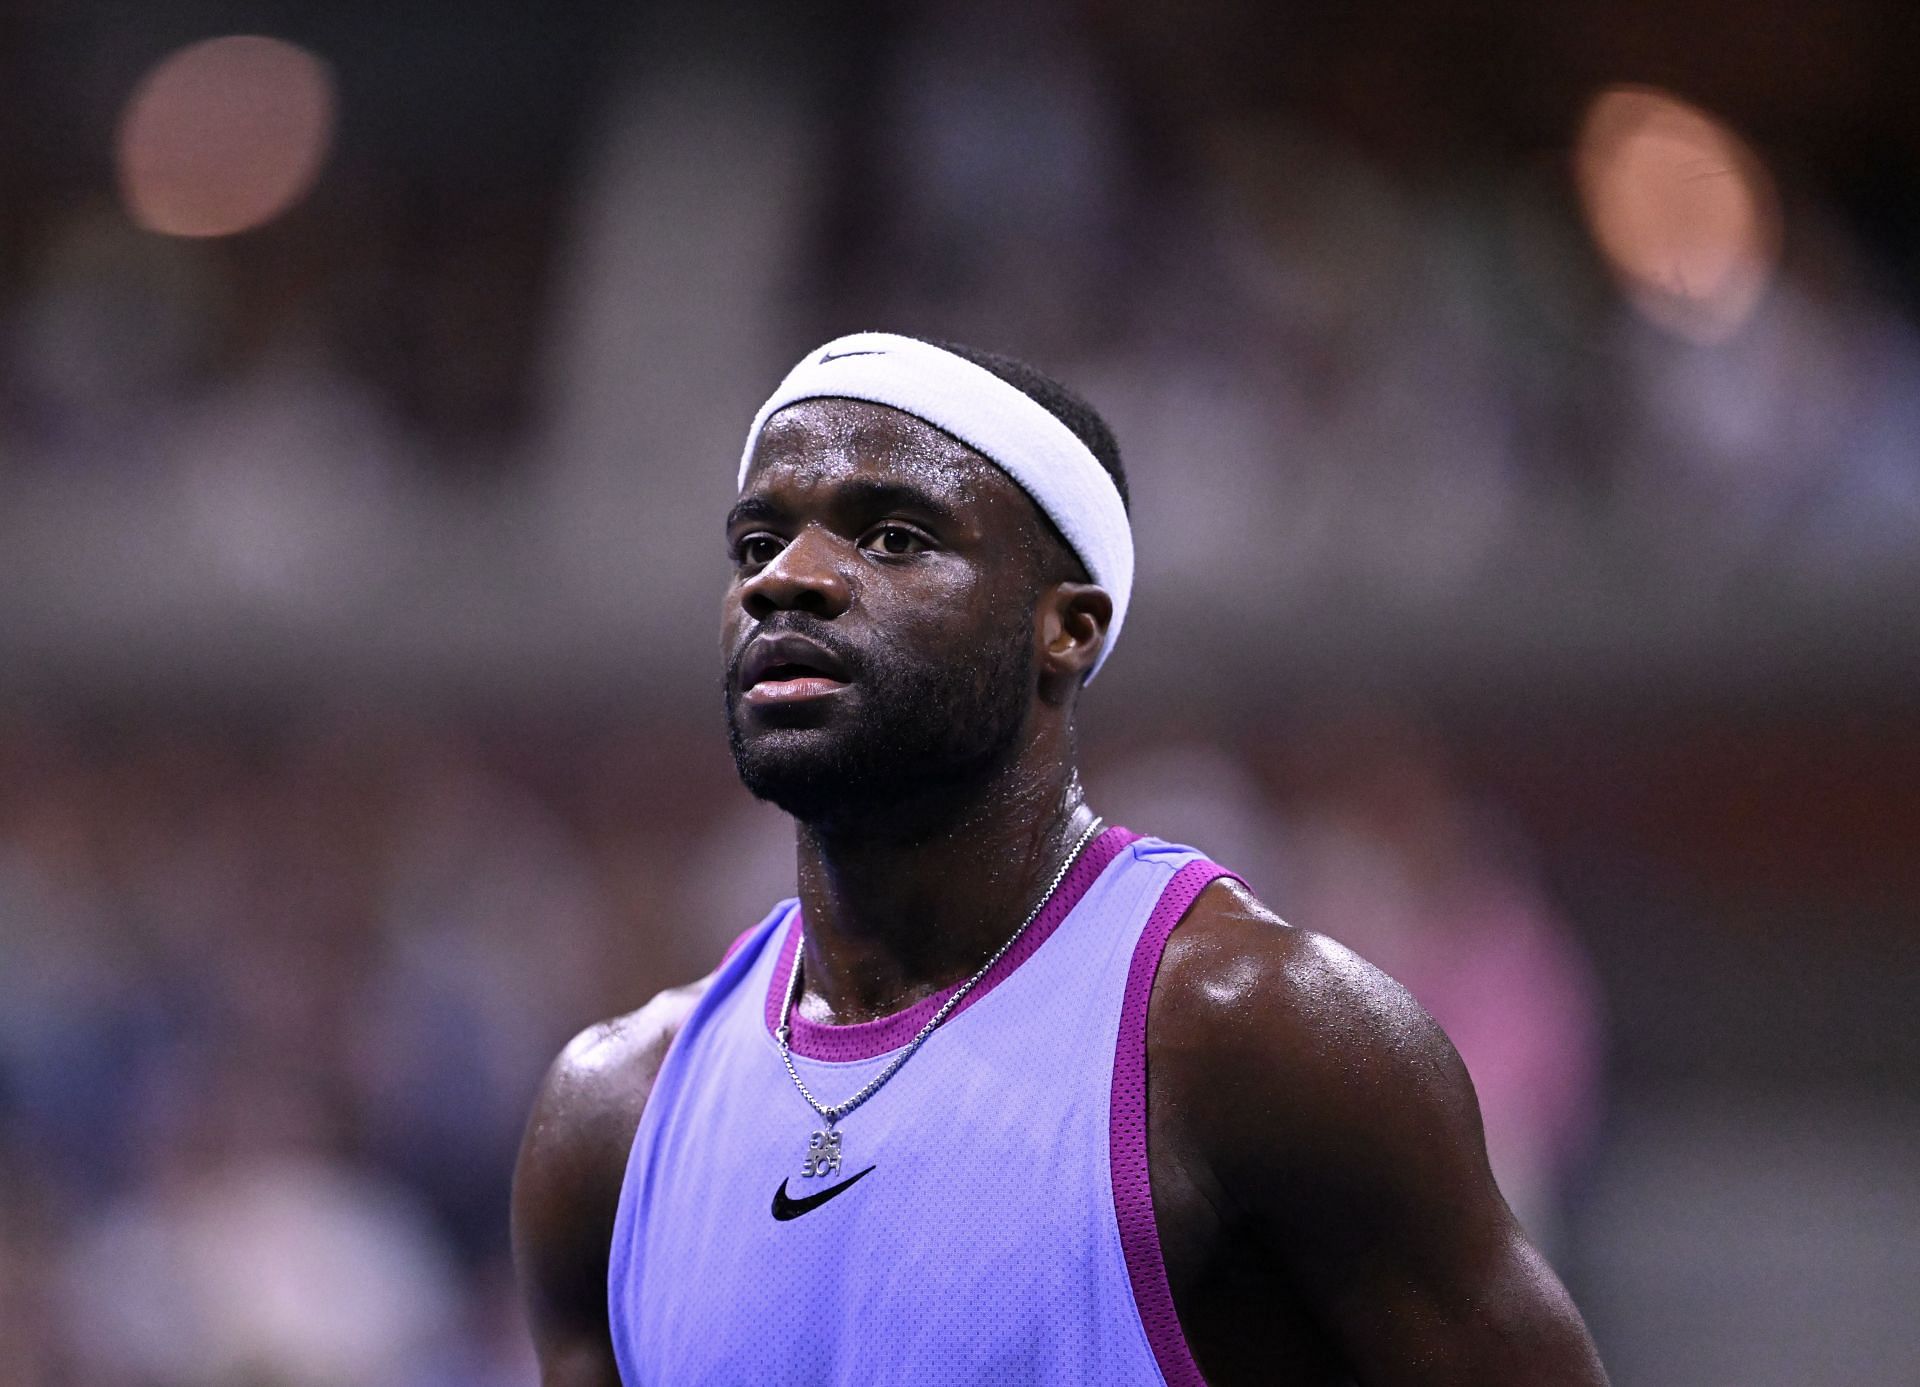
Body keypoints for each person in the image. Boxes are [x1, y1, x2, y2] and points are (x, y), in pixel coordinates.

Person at [511, 333, 1609, 1385]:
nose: (785, 580)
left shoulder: (1261, 1037)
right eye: (756, 545)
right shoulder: (612, 1117)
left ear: (1068, 628)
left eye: (891, 536)